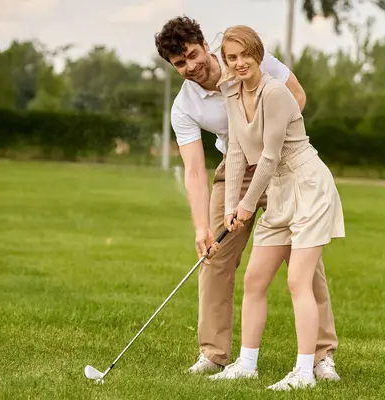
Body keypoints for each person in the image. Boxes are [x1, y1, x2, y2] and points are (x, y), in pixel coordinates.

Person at [154, 16, 341, 381]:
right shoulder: (184, 107)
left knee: (303, 262)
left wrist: (273, 141)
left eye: (193, 55)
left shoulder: (243, 57)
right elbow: (194, 170)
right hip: (236, 167)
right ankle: (214, 353)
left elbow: (297, 96)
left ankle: (321, 356)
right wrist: (201, 226)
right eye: (180, 64)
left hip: (282, 162)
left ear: (204, 44)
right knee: (215, 255)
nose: (191, 66)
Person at [207, 25, 345, 391]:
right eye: (231, 58)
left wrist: (249, 205)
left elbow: (268, 156)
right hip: (279, 192)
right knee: (254, 280)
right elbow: (237, 151)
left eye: (244, 55)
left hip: (307, 186)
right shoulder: (231, 92)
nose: (238, 64)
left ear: (258, 53)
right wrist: (231, 204)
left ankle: (304, 372)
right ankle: (246, 364)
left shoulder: (276, 93)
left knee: (298, 280)